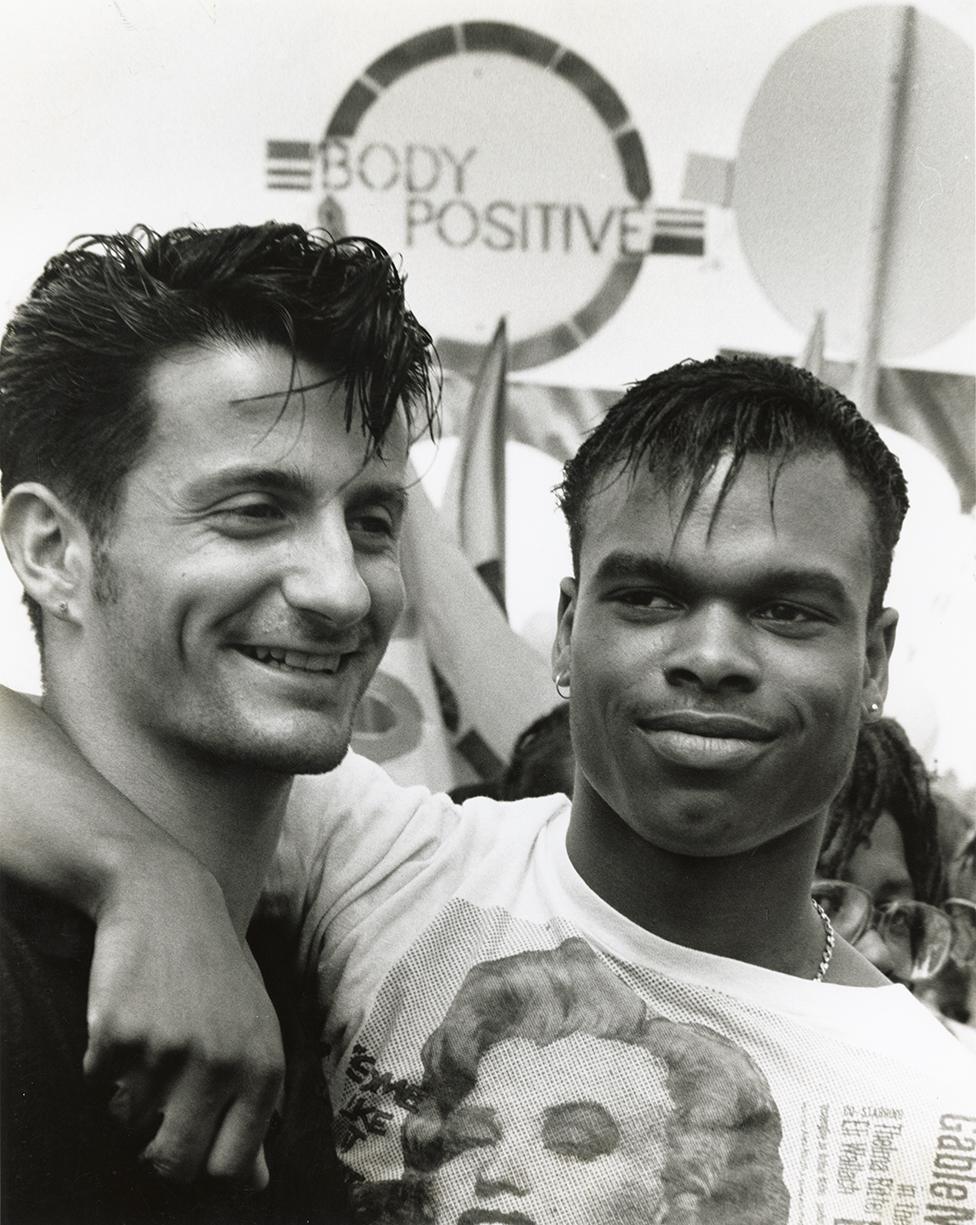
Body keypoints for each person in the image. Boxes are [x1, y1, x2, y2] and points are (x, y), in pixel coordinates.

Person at [3, 356, 975, 1223]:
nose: (711, 655)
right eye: (650, 597)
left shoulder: (943, 1115)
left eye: (785, 610)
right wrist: (141, 873)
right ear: (564, 629)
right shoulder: (378, 854)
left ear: (874, 658)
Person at [0, 221, 437, 1223]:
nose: (340, 589)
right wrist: (139, 869)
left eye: (371, 521)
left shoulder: (332, 966)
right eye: (251, 510)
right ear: (51, 550)